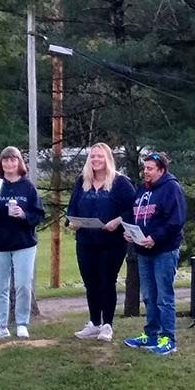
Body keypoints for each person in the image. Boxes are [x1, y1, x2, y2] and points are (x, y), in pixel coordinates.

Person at [68, 143, 136, 343]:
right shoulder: (82, 181)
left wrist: (117, 221)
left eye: (100, 156)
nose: (96, 160)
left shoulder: (121, 182)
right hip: (86, 240)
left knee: (107, 281)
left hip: (111, 241)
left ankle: (107, 324)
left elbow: (133, 208)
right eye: (92, 157)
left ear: (108, 158)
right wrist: (73, 222)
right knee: (90, 283)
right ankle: (94, 322)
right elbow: (72, 208)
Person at [0, 146, 45, 341]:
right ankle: (2, 326)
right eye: (5, 160)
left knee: (23, 284)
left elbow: (38, 215)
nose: (9, 164)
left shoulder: (28, 187)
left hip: (24, 243)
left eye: (13, 160)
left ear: (19, 163)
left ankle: (22, 323)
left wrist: (23, 215)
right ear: (1, 163)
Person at [123, 152, 187, 356]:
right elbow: (135, 215)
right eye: (145, 168)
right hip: (143, 250)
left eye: (150, 169)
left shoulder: (171, 188)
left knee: (163, 296)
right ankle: (150, 334)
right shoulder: (142, 189)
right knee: (149, 296)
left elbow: (176, 221)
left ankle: (168, 338)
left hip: (164, 250)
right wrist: (130, 232)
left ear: (161, 170)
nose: (146, 172)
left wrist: (156, 238)